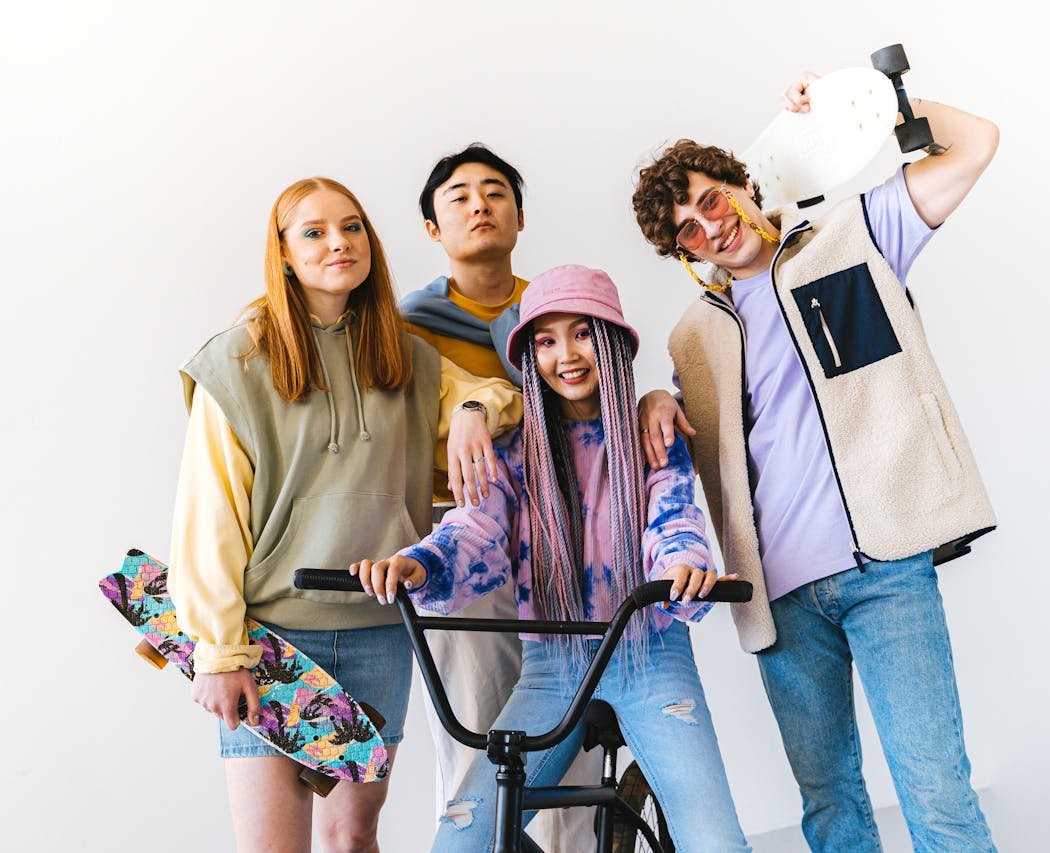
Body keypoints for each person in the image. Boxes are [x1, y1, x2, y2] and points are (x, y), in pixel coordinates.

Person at [629, 75, 1002, 852]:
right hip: (780, 600)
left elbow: (977, 144)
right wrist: (652, 402)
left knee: (935, 790)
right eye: (686, 231)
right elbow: (704, 437)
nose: (709, 226)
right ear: (681, 252)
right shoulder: (691, 339)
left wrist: (863, 99)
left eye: (711, 199)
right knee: (831, 808)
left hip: (887, 568)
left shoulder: (854, 237)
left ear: (741, 182)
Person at [170, 176, 521, 852]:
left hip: (379, 629)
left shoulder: (405, 356)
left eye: (353, 226)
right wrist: (218, 651)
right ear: (284, 251)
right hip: (272, 640)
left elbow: (497, 393)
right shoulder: (239, 359)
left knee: (354, 836)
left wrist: (474, 409)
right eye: (316, 230)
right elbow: (208, 514)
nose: (340, 242)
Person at [353, 265, 751, 853]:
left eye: (583, 333)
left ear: (612, 342)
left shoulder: (652, 437)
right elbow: (475, 527)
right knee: (461, 841)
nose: (566, 354)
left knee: (715, 841)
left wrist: (679, 569)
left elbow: (674, 518)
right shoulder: (514, 452)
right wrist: (421, 563)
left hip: (650, 653)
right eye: (545, 340)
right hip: (553, 662)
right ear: (529, 355)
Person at [396, 144, 682, 848]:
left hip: (566, 538)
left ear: (519, 216)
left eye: (495, 192)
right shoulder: (405, 330)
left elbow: (602, 398)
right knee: (475, 739)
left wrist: (650, 398)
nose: (478, 204)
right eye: (457, 195)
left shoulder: (557, 311)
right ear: (432, 227)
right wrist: (479, 404)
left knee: (571, 728)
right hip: (463, 540)